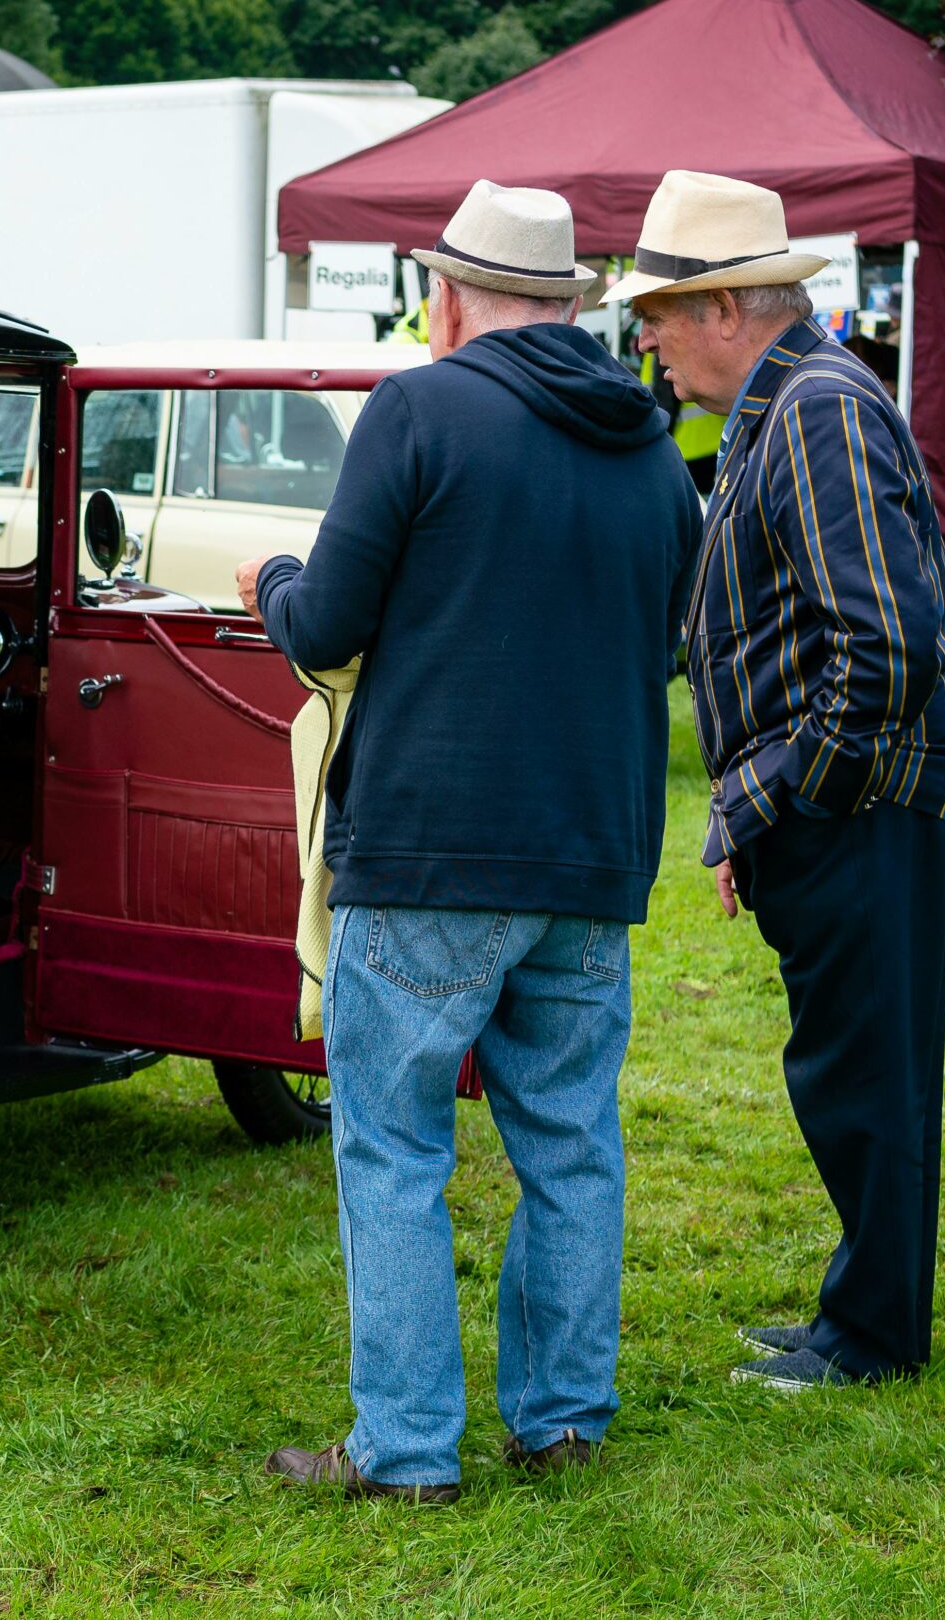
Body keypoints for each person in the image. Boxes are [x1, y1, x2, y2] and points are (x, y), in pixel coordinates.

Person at [233, 180, 699, 1502]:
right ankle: (560, 1422)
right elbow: (663, 639)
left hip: (433, 846)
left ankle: (407, 1451)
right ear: (565, 303)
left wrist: (269, 587)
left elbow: (324, 628)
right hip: (592, 852)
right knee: (570, 1142)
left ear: (449, 297)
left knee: (391, 1147)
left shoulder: (419, 410)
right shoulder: (657, 452)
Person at [619, 169, 945, 1391]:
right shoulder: (788, 408)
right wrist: (752, 810)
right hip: (849, 803)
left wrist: (772, 794)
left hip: (866, 806)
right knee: (852, 1068)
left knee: (863, 1076)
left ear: (725, 309)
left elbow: (884, 643)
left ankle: (872, 1339)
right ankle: (857, 1313)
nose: (649, 343)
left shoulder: (817, 407)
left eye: (658, 317)